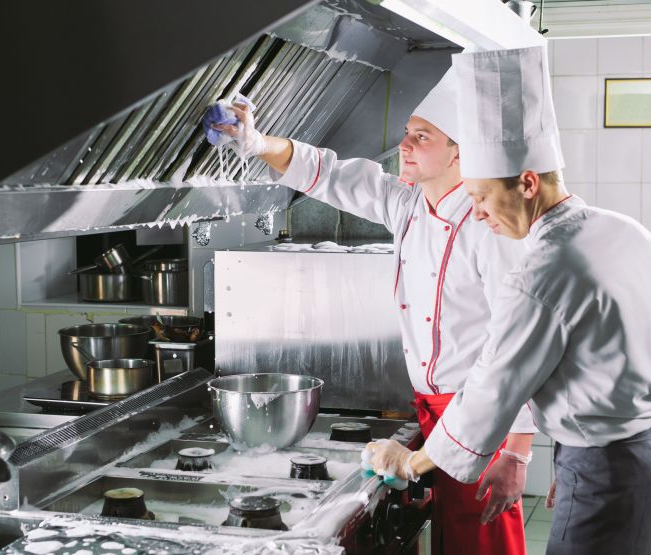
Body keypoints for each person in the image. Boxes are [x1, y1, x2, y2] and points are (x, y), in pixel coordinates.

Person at [366, 45, 651, 554]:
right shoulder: (627, 232)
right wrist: (578, 457)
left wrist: (412, 462)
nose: (476, 214)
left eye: (480, 198)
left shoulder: (540, 271)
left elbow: (491, 393)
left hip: (609, 468)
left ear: (527, 182)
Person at [208, 69, 535, 555]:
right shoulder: (407, 205)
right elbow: (327, 173)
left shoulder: (487, 225)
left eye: (421, 138)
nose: (404, 145)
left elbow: (522, 342)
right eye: (406, 132)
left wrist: (517, 454)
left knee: (484, 545)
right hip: (430, 412)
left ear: (459, 152)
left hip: (481, 419)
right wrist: (256, 143)